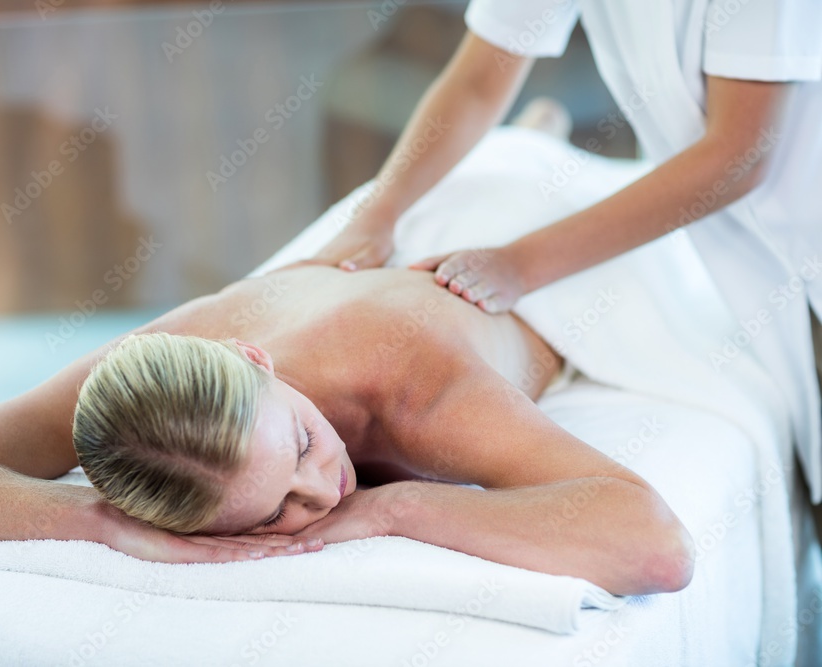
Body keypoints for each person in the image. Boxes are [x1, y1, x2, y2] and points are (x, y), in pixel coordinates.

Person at [0, 113, 694, 594]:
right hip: (368, 275)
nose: (324, 488)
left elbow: (657, 545)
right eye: (274, 513)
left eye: (301, 443)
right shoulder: (160, 376)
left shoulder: (421, 393)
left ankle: (531, 134)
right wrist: (91, 520)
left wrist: (400, 510)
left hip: (505, 246)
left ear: (254, 362)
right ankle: (523, 133)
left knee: (545, 162)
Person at [310, 0, 822, 509]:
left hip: (789, 231)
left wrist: (518, 265)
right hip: (680, 223)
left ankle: (537, 138)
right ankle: (536, 137)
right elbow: (477, 82)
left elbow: (741, 155)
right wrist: (376, 216)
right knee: (515, 170)